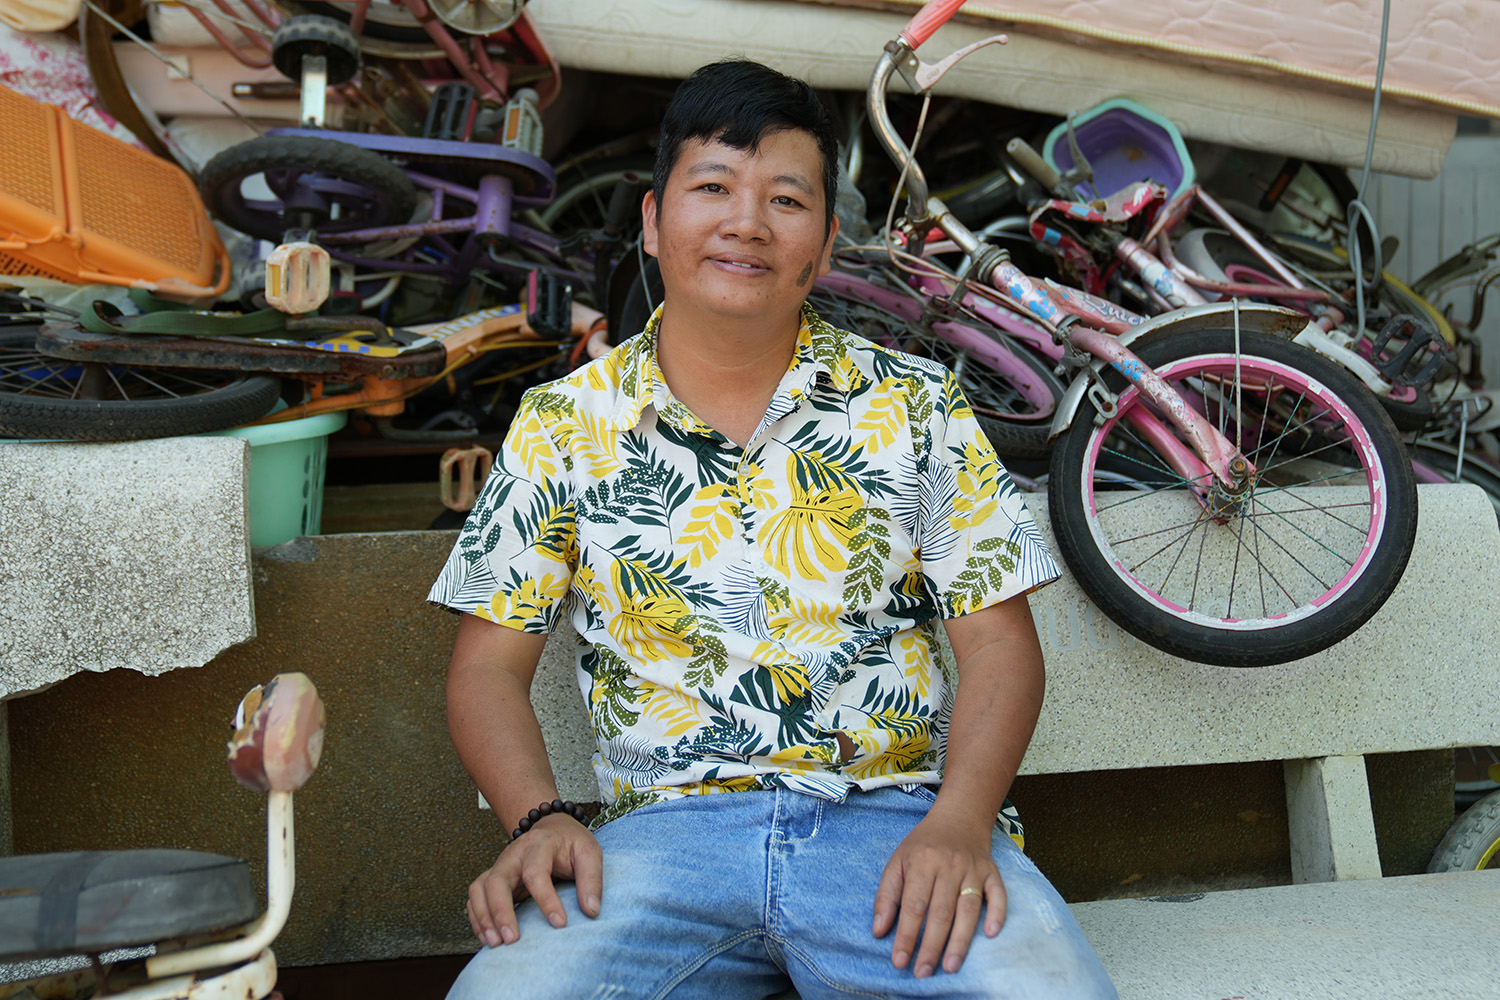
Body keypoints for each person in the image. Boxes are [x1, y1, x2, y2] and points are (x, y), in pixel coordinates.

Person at [429, 58, 1117, 999]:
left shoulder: (914, 405)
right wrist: (536, 818)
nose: (747, 223)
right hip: (658, 846)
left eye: (786, 200)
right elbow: (485, 669)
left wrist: (960, 825)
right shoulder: (562, 423)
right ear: (652, 220)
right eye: (713, 187)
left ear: (826, 243)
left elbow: (998, 646)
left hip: (894, 831)